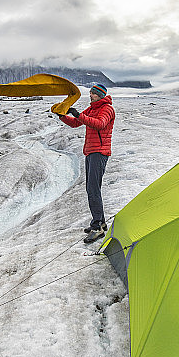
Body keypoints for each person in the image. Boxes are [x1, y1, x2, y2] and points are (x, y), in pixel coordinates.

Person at [56, 83, 115, 243]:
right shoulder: (92, 108)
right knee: (92, 188)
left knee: (93, 189)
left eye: (93, 93)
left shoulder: (107, 109)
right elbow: (76, 123)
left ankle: (97, 228)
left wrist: (78, 114)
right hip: (90, 151)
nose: (90, 95)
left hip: (99, 152)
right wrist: (62, 116)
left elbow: (100, 124)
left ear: (100, 95)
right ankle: (101, 222)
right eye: (90, 92)